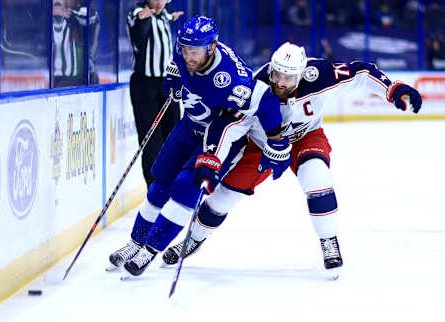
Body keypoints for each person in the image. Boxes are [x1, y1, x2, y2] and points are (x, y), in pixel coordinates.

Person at [162, 42, 423, 278]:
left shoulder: (319, 75)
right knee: (222, 197)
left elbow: (361, 73)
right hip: (262, 145)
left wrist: (392, 89)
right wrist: (212, 158)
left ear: (301, 73)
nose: (280, 82)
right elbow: (229, 125)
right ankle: (193, 239)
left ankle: (328, 239)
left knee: (317, 178)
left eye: (288, 77)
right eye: (276, 74)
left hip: (306, 137)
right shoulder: (256, 86)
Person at [107, 15, 285, 278]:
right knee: (160, 185)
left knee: (185, 188)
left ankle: (151, 249)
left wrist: (275, 137)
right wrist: (172, 82)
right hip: (188, 127)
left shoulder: (229, 79)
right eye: (185, 48)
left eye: (195, 50)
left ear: (211, 47)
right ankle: (135, 243)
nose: (188, 55)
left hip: (217, 138)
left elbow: (267, 101)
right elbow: (177, 67)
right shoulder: (186, 53)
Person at [127, 0, 184, 188]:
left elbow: (167, 14)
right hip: (145, 85)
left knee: (173, 137)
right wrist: (142, 23)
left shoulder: (163, 15)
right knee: (152, 142)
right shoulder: (138, 13)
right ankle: (154, 191)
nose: (160, 3)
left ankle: (172, 185)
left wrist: (173, 16)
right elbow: (137, 40)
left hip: (167, 83)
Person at [52, 0, 100, 87]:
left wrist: (69, 13)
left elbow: (89, 18)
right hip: (60, 79)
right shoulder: (59, 19)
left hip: (82, 78)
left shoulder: (86, 14)